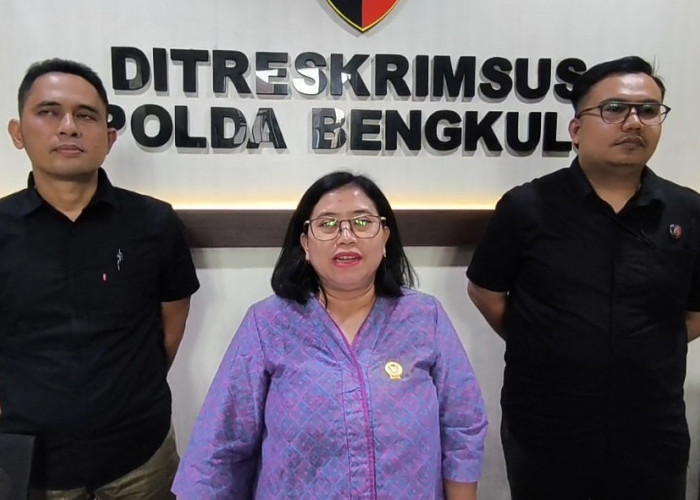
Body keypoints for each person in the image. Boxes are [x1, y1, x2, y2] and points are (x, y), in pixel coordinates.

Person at [467, 55, 700, 499]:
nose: (633, 122)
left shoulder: (687, 211)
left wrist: (638, 344)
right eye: (614, 109)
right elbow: (485, 291)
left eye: (648, 110)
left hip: (651, 432)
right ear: (576, 129)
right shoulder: (527, 207)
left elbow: (694, 313)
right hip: (548, 430)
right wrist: (546, 340)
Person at [173, 171, 488, 499]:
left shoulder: (424, 317)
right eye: (327, 224)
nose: (346, 236)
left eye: (362, 222)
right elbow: (219, 445)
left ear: (385, 238)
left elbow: (463, 425)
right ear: (305, 244)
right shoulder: (267, 324)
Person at [0, 58, 200, 498]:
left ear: (109, 138)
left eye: (86, 115)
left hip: (140, 456)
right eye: (49, 112)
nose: (69, 127)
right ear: (18, 132)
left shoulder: (154, 223)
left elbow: (171, 323)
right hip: (31, 464)